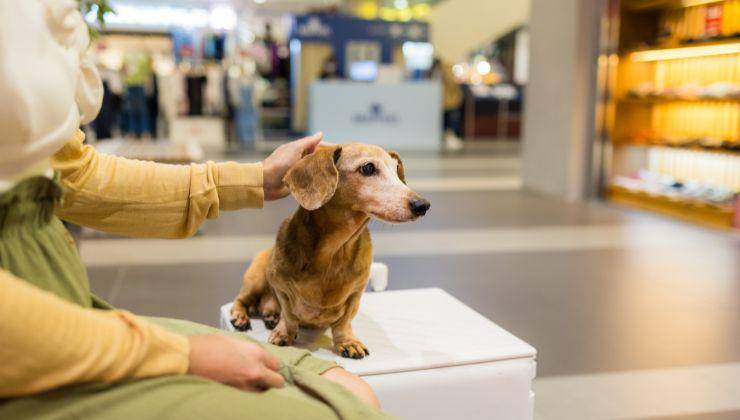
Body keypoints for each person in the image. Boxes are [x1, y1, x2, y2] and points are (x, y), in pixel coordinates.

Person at [0, 1, 388, 419]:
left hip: (58, 307)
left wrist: (255, 179)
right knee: (341, 410)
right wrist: (176, 353)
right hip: (26, 344)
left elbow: (73, 173)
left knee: (351, 389)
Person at [430, 57, 464, 150]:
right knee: (449, 121)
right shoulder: (441, 71)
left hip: (449, 101)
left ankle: (450, 138)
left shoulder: (446, 70)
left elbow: (452, 83)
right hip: (448, 101)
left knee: (451, 121)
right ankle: (448, 138)